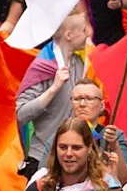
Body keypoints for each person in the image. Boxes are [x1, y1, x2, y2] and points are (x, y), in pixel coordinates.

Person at [15, 11, 91, 172]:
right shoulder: (43, 66)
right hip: (44, 158)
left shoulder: (79, 63)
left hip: (73, 158)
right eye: (84, 30)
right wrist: (53, 89)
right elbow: (21, 114)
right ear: (69, 35)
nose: (88, 34)